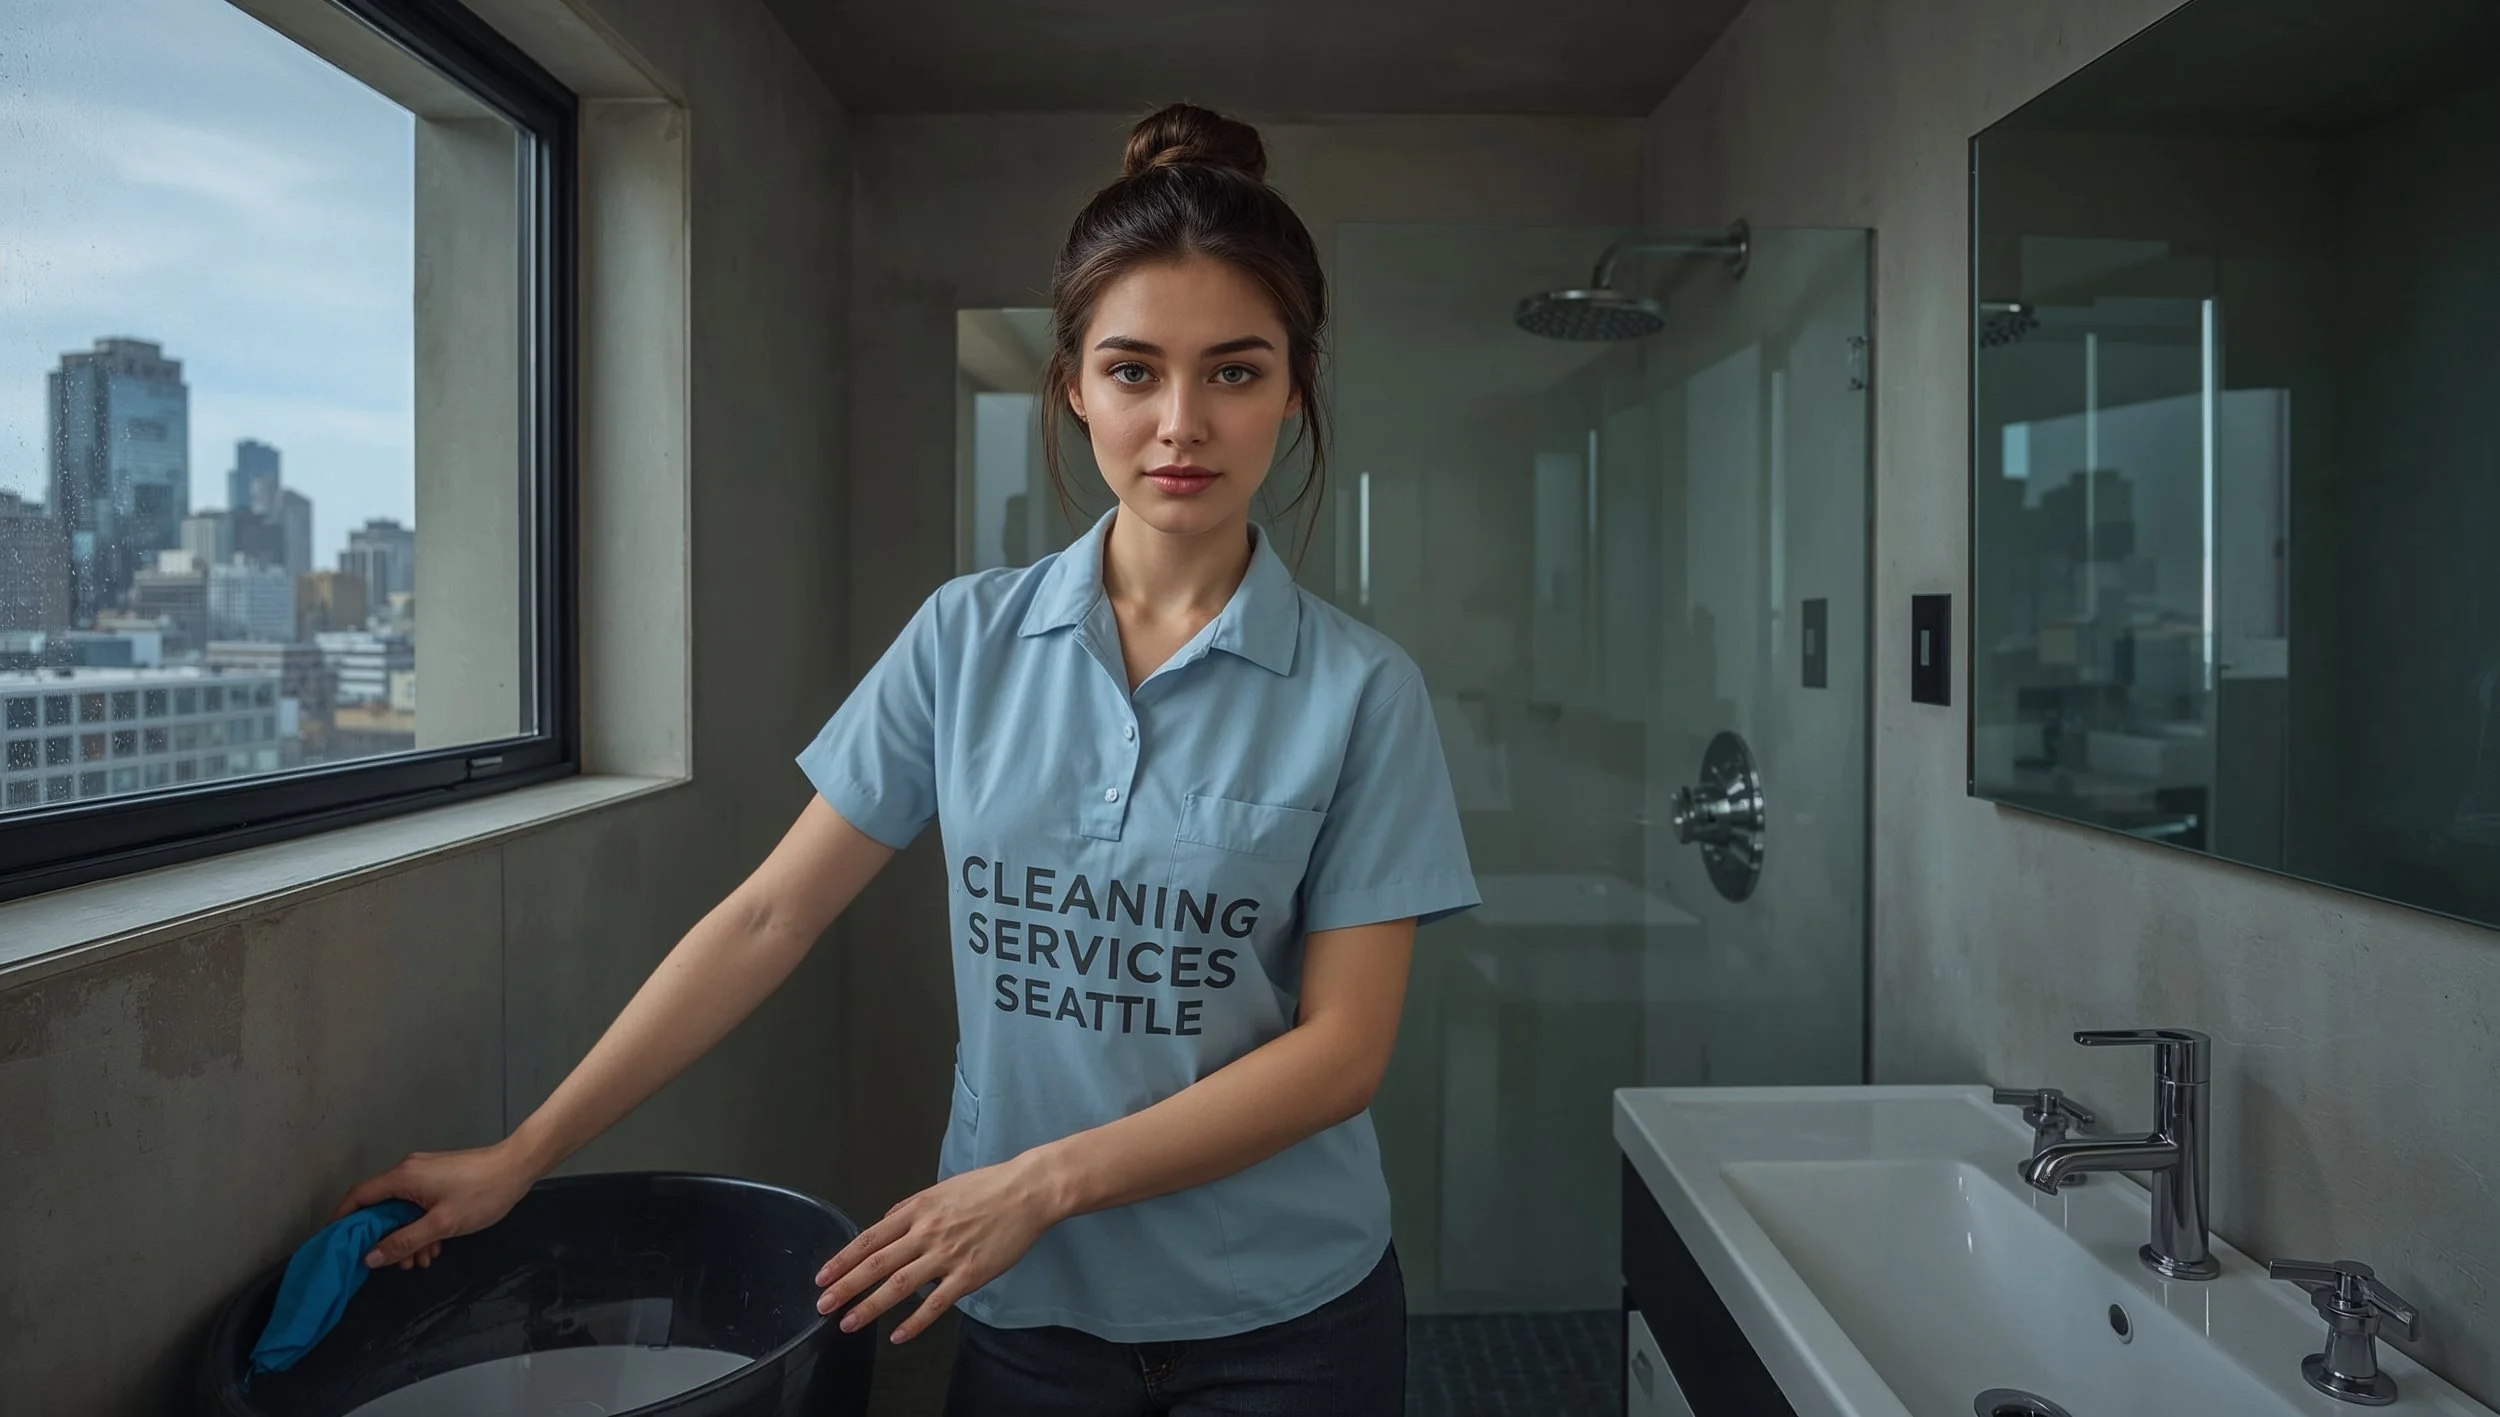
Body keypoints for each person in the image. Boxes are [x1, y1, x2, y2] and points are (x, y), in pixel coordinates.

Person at [334, 101, 1479, 1415]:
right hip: (1028, 1314)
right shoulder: (964, 641)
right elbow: (770, 914)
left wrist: (1041, 1181)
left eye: (1234, 370)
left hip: (1285, 1321)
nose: (1181, 422)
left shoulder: (1361, 692)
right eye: (1132, 370)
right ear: (1072, 383)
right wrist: (523, 1154)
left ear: (1294, 385)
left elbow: (1342, 1056)